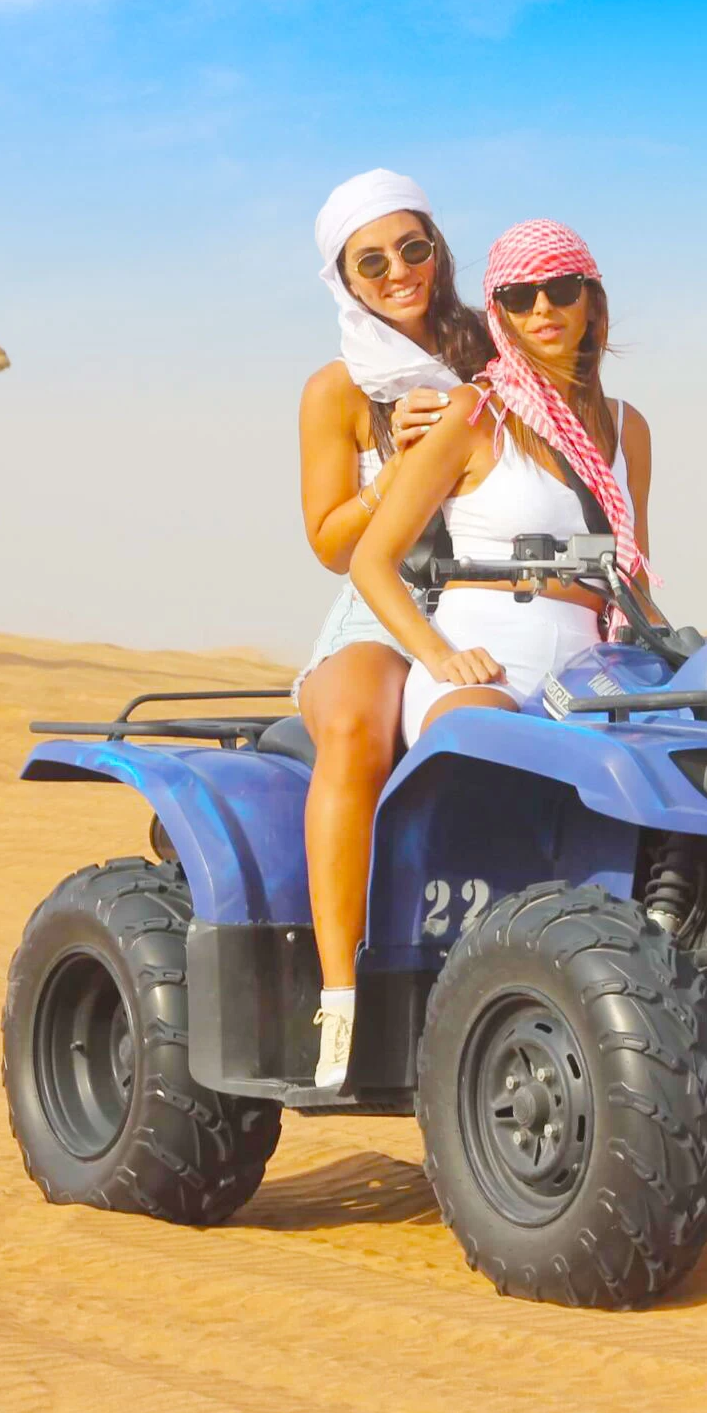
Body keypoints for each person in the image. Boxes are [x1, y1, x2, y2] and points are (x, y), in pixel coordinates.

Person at [326, 219, 654, 1082]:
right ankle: (407, 999)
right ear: (500, 312)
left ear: (592, 301)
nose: (543, 309)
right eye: (518, 295)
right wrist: (437, 655)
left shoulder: (627, 428)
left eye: (561, 290)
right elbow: (371, 558)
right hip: (487, 657)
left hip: (590, 666)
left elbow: (635, 572)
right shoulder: (478, 412)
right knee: (484, 755)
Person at [294, 170, 494, 1089]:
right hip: (382, 599)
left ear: (438, 250)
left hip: (496, 595)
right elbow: (335, 545)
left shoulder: (493, 351)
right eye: (371, 262)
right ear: (346, 280)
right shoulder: (338, 389)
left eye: (412, 249)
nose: (398, 273)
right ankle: (341, 997)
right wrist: (395, 466)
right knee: (355, 725)